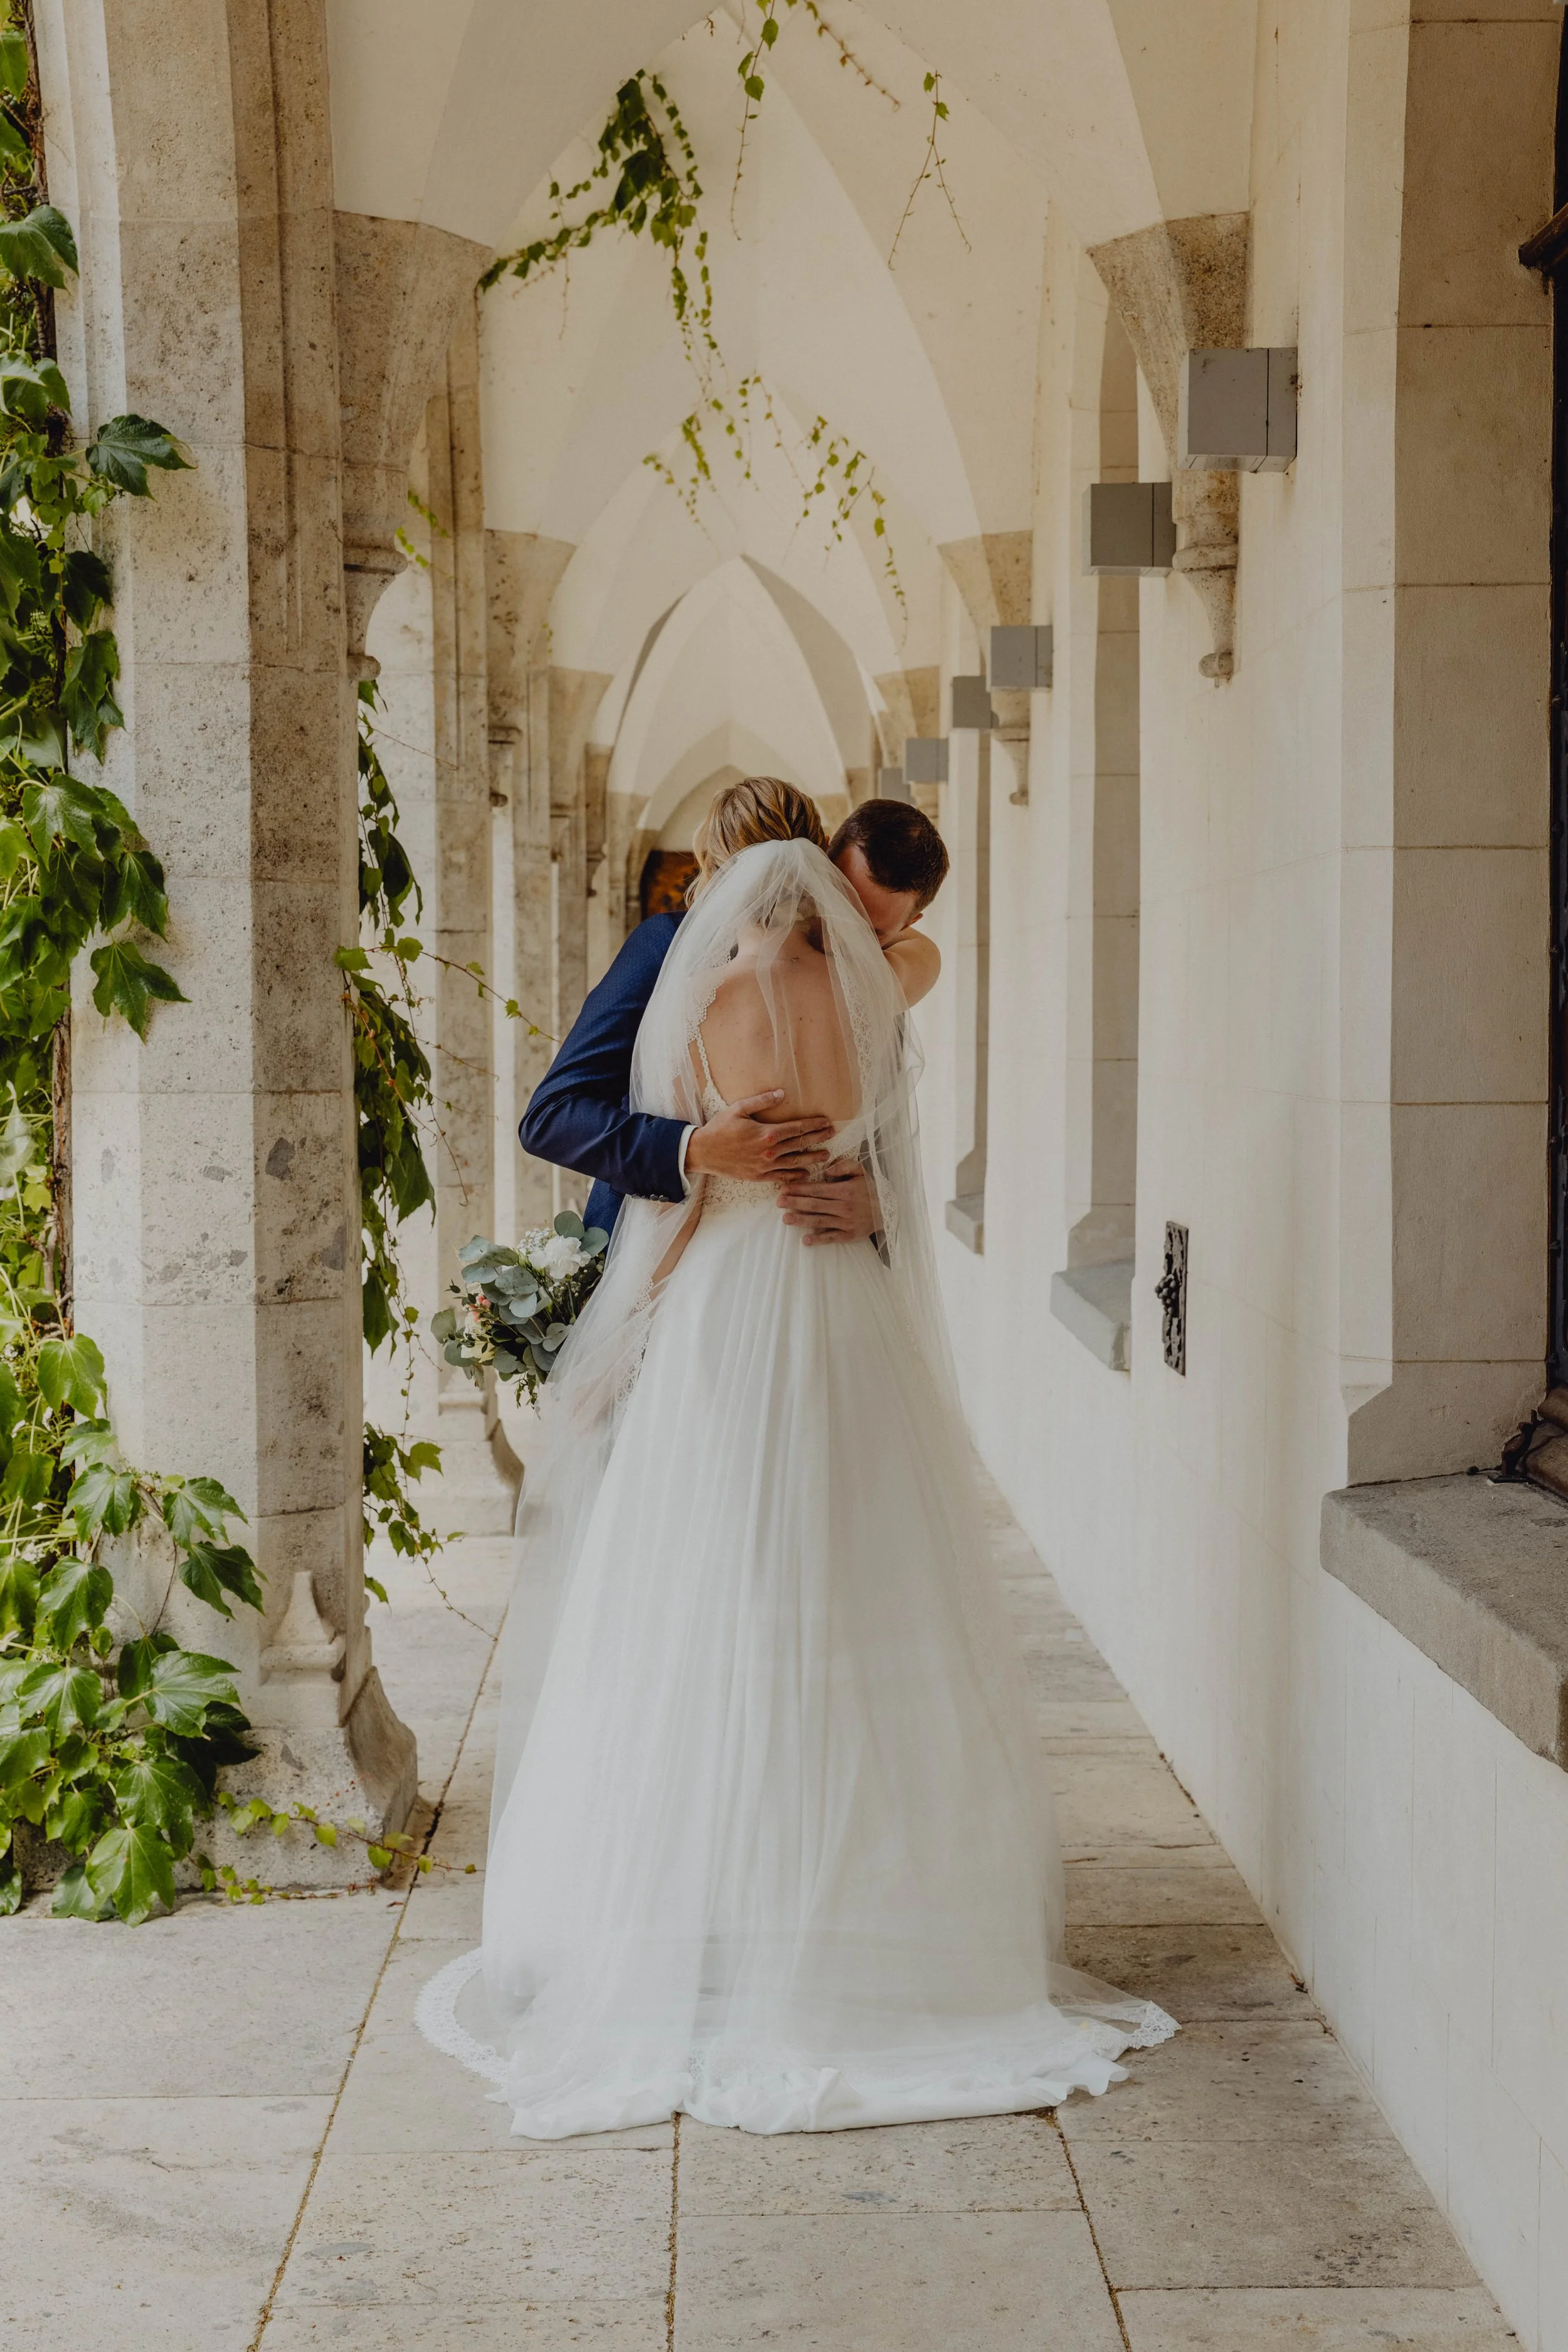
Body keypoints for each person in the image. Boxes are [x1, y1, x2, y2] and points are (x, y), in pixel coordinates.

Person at [416, 825, 1175, 2137]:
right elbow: (827, 1107)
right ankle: (867, 1925)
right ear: (832, 890)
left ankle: (701, 1923)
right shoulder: (883, 991)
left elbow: (688, 1207)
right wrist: (846, 1184)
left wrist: (623, 1333)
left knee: (693, 1603)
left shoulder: (702, 994)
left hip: (726, 1307)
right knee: (864, 1585)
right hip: (838, 1310)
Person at [518, 778, 948, 1249]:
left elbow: (884, 1118)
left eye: (871, 931)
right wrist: (694, 1149)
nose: (848, 937)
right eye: (840, 902)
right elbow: (553, 1117)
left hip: (830, 1261)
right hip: (685, 1259)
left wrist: (882, 1203)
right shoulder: (665, 946)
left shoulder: (873, 973)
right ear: (820, 864)